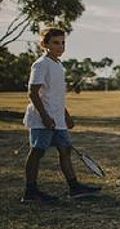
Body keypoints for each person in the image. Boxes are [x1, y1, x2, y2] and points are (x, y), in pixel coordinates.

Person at [21, 27, 101, 203]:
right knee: (37, 152)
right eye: (56, 43)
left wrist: (66, 116)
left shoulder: (58, 65)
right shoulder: (40, 64)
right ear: (45, 44)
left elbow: (56, 96)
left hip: (57, 119)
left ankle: (74, 188)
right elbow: (33, 93)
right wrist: (45, 116)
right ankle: (30, 192)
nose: (60, 46)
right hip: (42, 118)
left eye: (63, 43)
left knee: (65, 151)